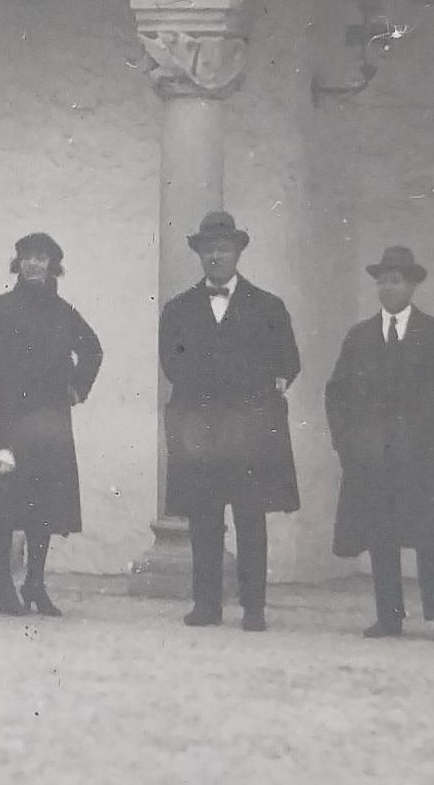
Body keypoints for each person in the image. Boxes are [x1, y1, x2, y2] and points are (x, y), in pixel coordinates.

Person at [159, 212, 300, 632]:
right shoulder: (179, 309)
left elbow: (289, 361)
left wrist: (261, 386)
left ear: (238, 252)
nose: (215, 256)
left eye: (222, 248)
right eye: (208, 249)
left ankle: (253, 607)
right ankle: (206, 604)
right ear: (199, 256)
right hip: (200, 429)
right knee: (204, 518)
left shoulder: (269, 306)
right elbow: (171, 363)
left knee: (250, 518)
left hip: (250, 430)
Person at [325, 246, 434, 645]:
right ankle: (389, 617)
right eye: (382, 280)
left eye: (396, 280)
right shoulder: (360, 336)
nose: (388, 287)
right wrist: (347, 444)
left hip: (424, 457)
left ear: (413, 285)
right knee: (381, 536)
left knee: (431, 538)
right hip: (374, 458)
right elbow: (337, 393)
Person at [0, 233, 102, 617]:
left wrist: (77, 389)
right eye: (27, 257)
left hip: (50, 418)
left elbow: (93, 350)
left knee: (44, 502)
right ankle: (3, 583)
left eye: (42, 257)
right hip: (8, 416)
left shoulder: (64, 312)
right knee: (3, 500)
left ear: (53, 264)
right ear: (18, 263)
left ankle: (35, 582)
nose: (34, 264)